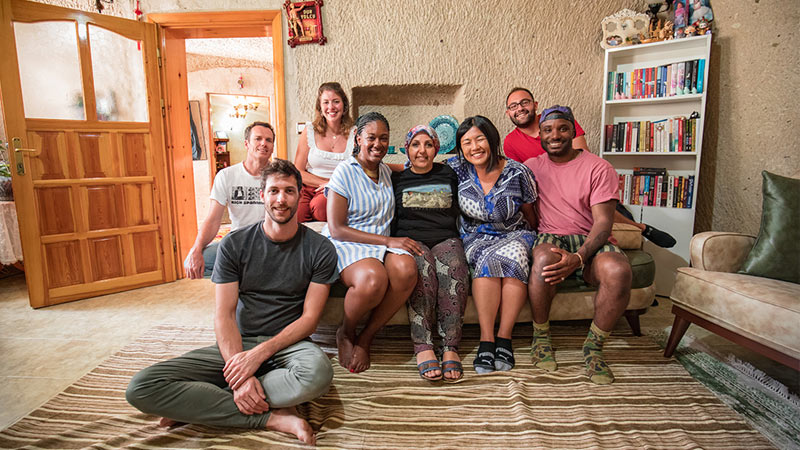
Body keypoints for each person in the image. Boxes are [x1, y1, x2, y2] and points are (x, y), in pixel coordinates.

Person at [126, 159, 338, 445]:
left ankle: (204, 405)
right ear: (262, 195)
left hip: (289, 346)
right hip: (239, 343)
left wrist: (258, 358)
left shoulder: (320, 248)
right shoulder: (234, 245)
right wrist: (241, 371)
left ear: (299, 195)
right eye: (274, 191)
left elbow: (309, 319)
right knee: (142, 388)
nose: (281, 199)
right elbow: (224, 315)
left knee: (319, 374)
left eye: (289, 191)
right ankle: (271, 416)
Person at [525, 105, 632, 385]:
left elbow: (603, 224)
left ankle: (594, 347)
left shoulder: (598, 167)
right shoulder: (532, 167)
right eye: (548, 130)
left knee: (618, 271)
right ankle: (541, 337)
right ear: (540, 135)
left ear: (573, 130)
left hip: (590, 237)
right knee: (543, 261)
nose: (555, 135)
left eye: (562, 128)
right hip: (552, 234)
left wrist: (580, 257)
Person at [503, 87, 676, 248]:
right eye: (513, 106)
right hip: (547, 192)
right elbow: (522, 178)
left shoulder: (560, 119)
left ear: (535, 104)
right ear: (508, 112)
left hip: (580, 185)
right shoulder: (510, 142)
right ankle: (642, 227)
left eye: (524, 102)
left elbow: (583, 156)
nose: (520, 108)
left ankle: (638, 226)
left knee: (599, 207)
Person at [322, 112, 419, 374]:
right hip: (348, 241)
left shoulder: (386, 171)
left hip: (380, 244)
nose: (378, 144)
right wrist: (390, 240)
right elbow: (337, 228)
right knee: (373, 279)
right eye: (371, 137)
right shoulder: (344, 172)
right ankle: (346, 332)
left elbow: (411, 166)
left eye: (384, 138)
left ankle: (367, 336)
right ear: (358, 138)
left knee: (408, 270)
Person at [448, 115, 538, 374]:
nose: (474, 147)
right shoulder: (456, 168)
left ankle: (504, 338)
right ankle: (486, 340)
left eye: (480, 139)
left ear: (492, 140)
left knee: (515, 256)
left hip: (514, 233)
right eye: (467, 142)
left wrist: (533, 235)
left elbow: (530, 211)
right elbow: (418, 164)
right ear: (460, 148)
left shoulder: (517, 171)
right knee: (486, 260)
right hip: (474, 236)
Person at [391, 125, 469, 382]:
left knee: (454, 267)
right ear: (407, 149)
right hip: (412, 240)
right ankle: (423, 346)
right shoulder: (397, 178)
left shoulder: (450, 172)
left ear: (436, 148)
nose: (422, 150)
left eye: (428, 144)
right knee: (422, 270)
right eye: (415, 144)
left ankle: (450, 347)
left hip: (446, 237)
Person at [184, 121, 276, 279]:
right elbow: (213, 219)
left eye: (268, 140)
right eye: (258, 139)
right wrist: (196, 248)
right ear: (247, 144)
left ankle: (247, 282)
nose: (264, 144)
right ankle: (245, 280)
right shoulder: (226, 176)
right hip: (237, 243)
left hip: (269, 243)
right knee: (198, 261)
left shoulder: (280, 175)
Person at [294, 82, 356, 223]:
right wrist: (325, 182)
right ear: (320, 107)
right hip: (308, 185)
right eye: (326, 102)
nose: (331, 107)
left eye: (336, 102)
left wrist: (332, 185)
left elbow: (357, 171)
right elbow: (298, 170)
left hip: (338, 187)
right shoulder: (309, 130)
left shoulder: (355, 133)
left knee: (321, 208)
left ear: (344, 106)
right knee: (297, 211)